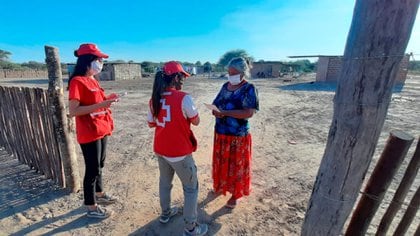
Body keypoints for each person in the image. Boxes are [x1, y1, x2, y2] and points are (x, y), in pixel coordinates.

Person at [147, 61, 208, 236]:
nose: (183, 81)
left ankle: (165, 213)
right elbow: (196, 121)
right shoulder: (184, 97)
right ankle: (190, 228)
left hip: (161, 149)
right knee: (190, 188)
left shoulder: (154, 99)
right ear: (175, 78)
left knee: (165, 183)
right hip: (180, 152)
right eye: (181, 77)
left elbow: (151, 124)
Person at [68, 43, 118, 219]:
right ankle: (91, 206)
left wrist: (109, 99)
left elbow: (99, 101)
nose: (101, 63)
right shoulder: (77, 81)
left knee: (100, 165)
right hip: (89, 132)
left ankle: (100, 194)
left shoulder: (93, 80)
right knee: (92, 169)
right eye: (98, 59)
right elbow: (73, 111)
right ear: (87, 61)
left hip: (101, 128)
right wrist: (102, 104)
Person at [211, 57, 259, 209]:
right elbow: (216, 104)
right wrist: (216, 111)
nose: (231, 76)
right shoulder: (225, 86)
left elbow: (249, 113)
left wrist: (225, 112)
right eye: (229, 72)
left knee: (236, 166)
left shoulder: (249, 88)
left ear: (243, 72)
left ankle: (235, 194)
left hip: (237, 136)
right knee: (222, 163)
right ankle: (221, 187)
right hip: (222, 134)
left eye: (234, 73)